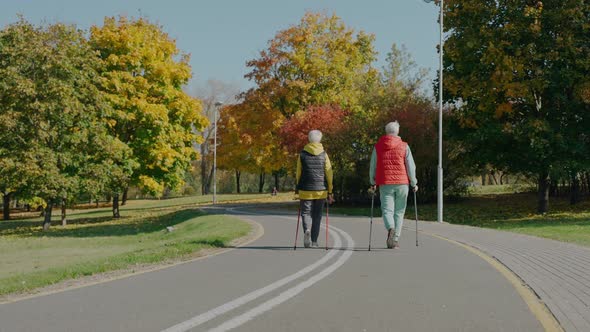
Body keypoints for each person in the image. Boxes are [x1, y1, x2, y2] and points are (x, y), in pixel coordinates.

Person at [369, 121, 418, 249]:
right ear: (398, 132)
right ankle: (395, 239)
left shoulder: (378, 146)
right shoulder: (404, 146)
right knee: (399, 212)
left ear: (386, 131)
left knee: (387, 210)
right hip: (402, 183)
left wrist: (372, 181)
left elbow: (373, 166)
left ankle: (390, 227)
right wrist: (414, 183)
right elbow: (411, 166)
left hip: (385, 183)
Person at [296, 130, 334, 248]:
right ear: (320, 140)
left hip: (305, 189)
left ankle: (307, 229)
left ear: (309, 139)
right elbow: (329, 173)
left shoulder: (302, 154)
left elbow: (298, 173)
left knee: (306, 212)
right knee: (317, 216)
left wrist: (298, 186)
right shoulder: (324, 154)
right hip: (320, 190)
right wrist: (330, 190)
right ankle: (314, 241)